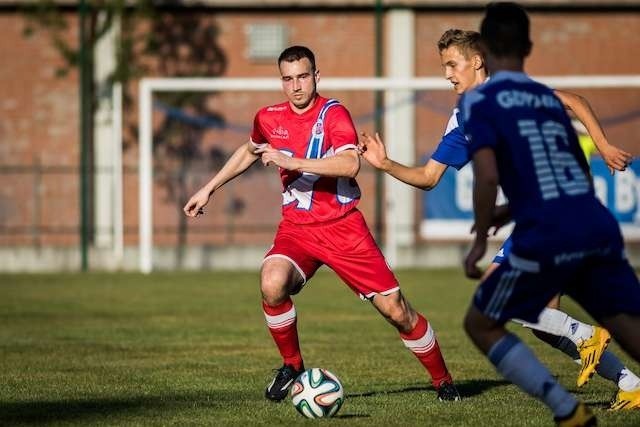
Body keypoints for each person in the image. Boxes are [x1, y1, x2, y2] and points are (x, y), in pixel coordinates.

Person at [359, 28, 640, 410]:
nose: (447, 74)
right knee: (544, 320)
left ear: (477, 61)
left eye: (452, 64)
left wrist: (603, 145)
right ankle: (629, 383)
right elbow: (428, 177)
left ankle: (587, 334)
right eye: (444, 66)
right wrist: (385, 163)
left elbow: (573, 101)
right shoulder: (462, 118)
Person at [183, 45, 460, 403]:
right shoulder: (268, 118)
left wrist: (290, 160)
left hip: (344, 229)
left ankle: (443, 380)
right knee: (271, 282)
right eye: (288, 78)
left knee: (397, 311)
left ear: (316, 76)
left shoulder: (334, 115)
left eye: (302, 76)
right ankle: (293, 366)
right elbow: (249, 150)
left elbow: (349, 165)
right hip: (297, 230)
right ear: (281, 81)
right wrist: (208, 189)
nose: (296, 86)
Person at [459, 2, 640, 425]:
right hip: (592, 220)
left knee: (482, 322)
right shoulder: (544, 97)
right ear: (528, 46)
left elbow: (486, 177)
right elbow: (577, 165)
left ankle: (570, 412)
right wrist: (515, 208)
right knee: (628, 329)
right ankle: (625, 380)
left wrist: (480, 240)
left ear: (482, 50)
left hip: (549, 230)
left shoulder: (481, 101)